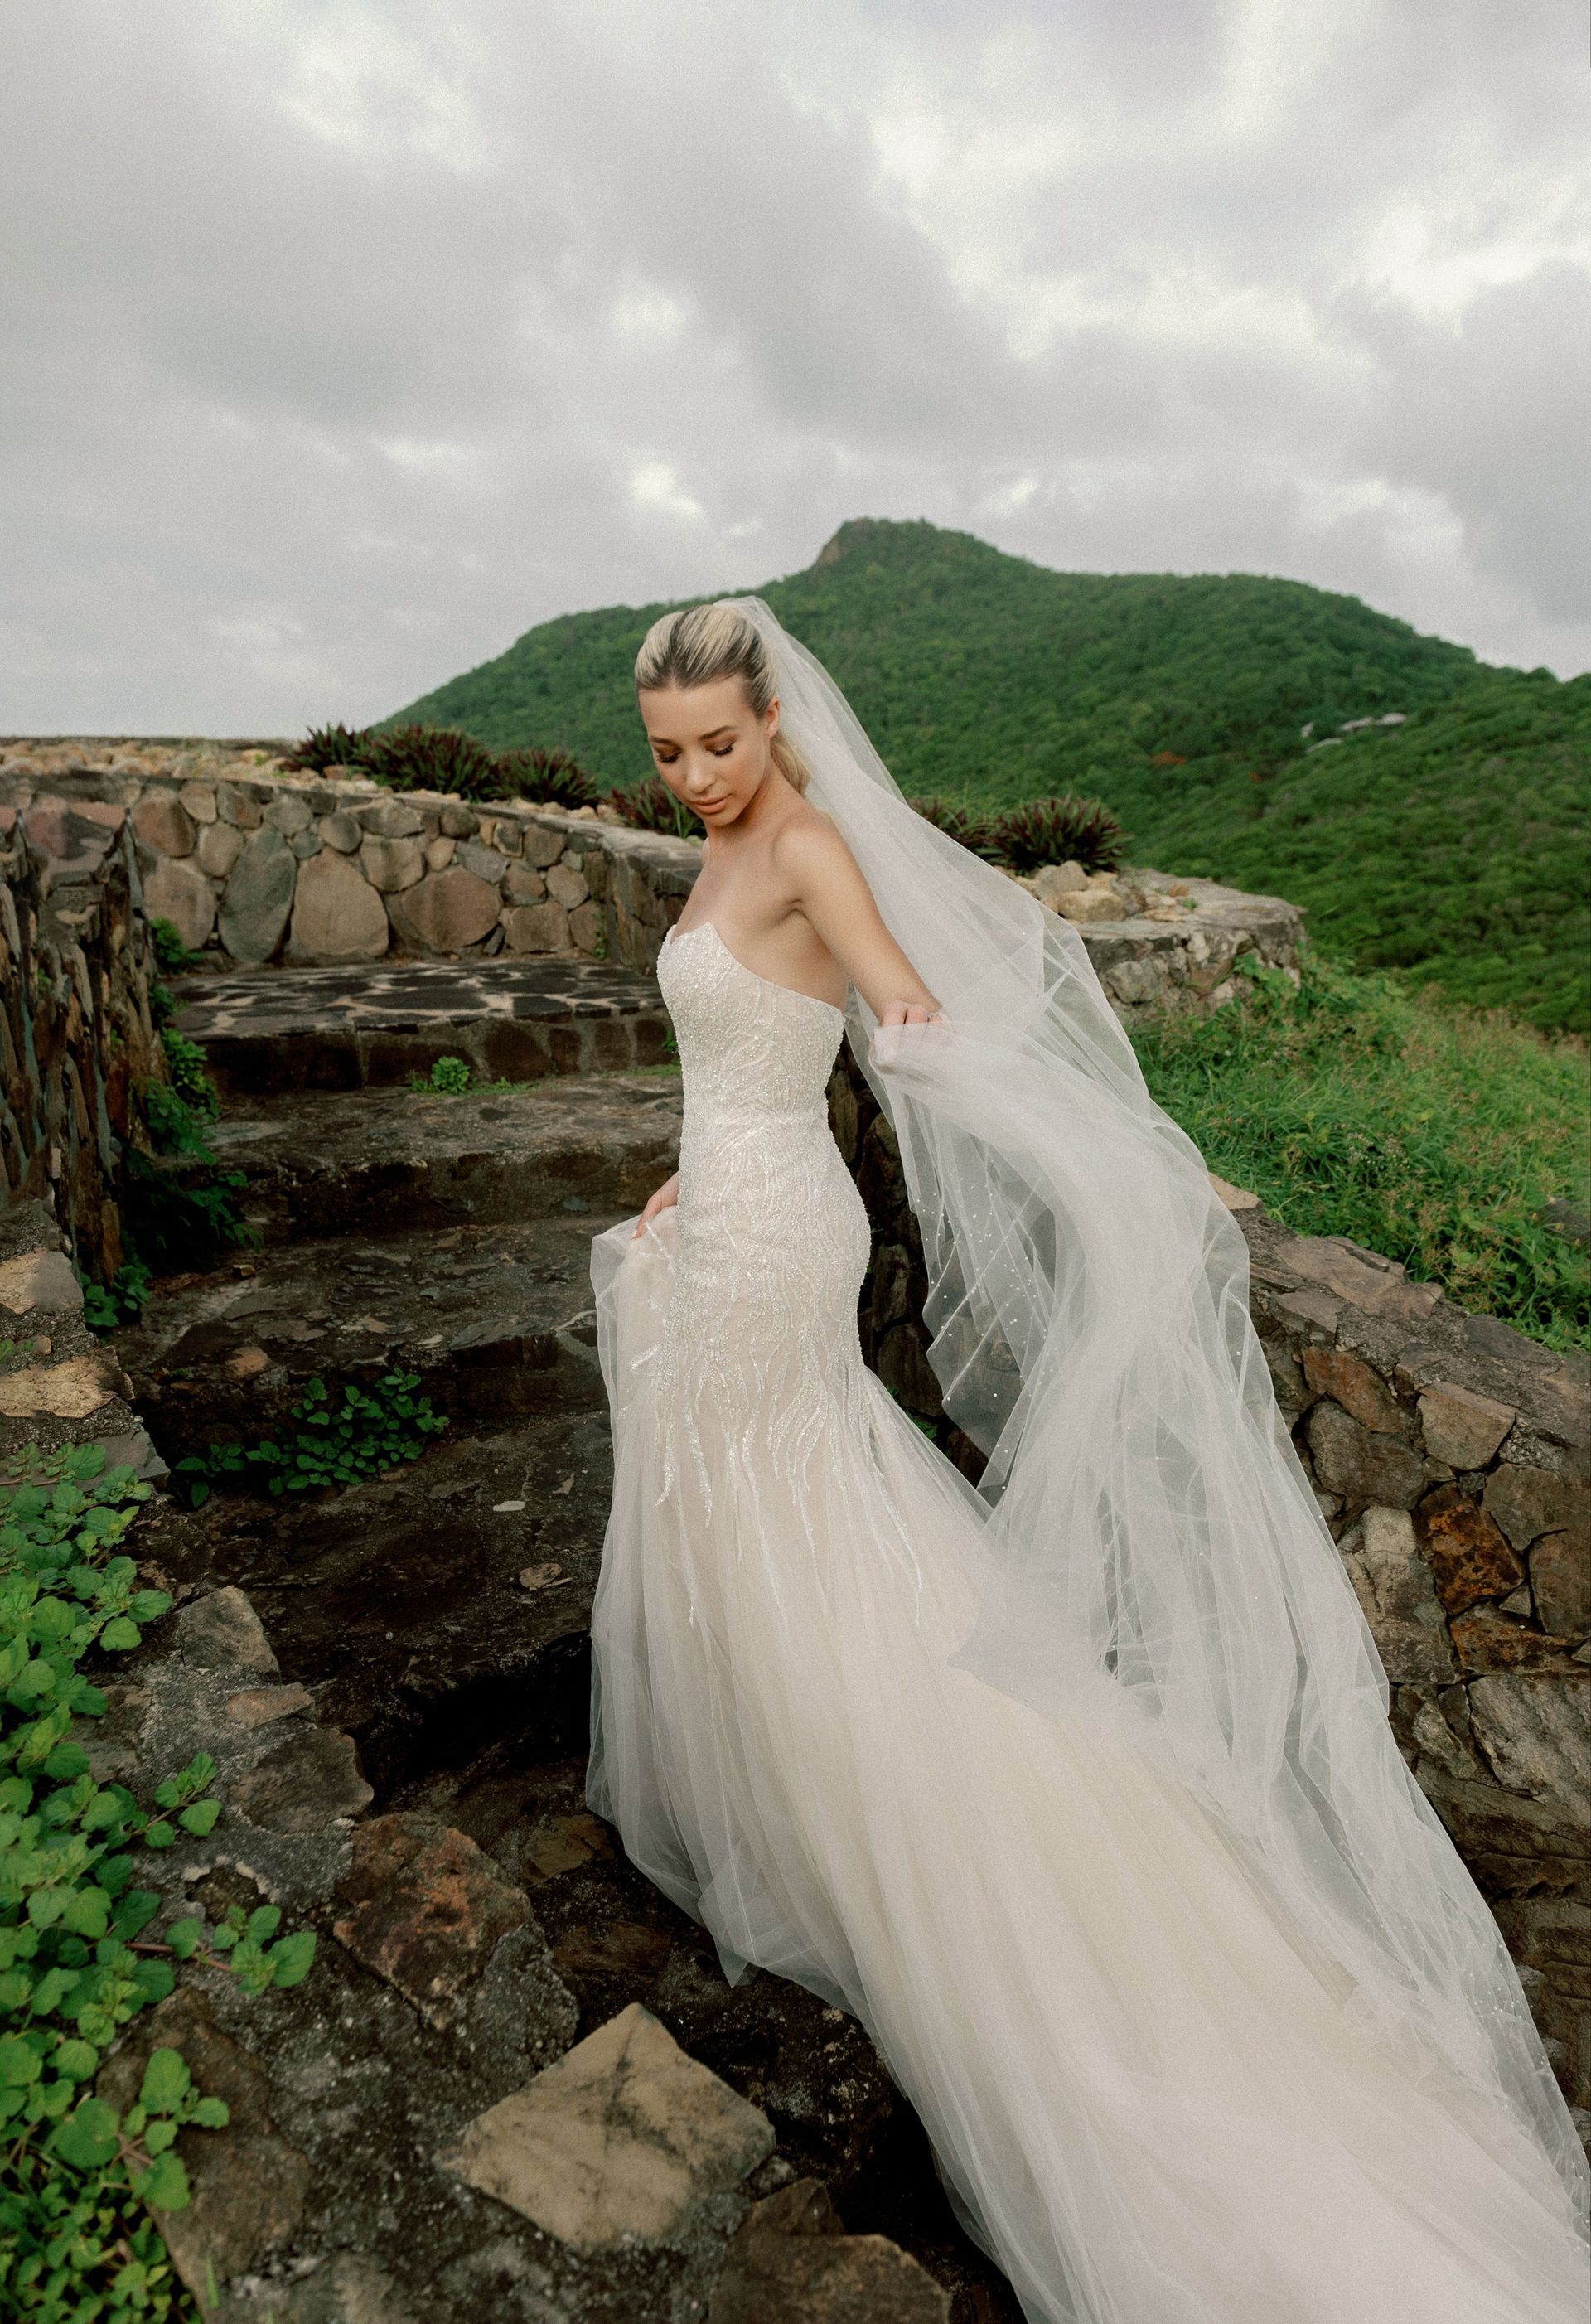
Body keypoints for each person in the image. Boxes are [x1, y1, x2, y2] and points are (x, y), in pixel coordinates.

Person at [586, 598, 1589, 2322]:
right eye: (669, 753)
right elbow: (745, 1050)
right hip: (731, 1204)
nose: (695, 778)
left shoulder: (808, 845)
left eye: (719, 745)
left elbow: (911, 1018)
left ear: (777, 723)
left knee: (790, 1510)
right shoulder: (727, 846)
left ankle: (923, 1839)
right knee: (759, 1517)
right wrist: (699, 1160)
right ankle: (809, 1804)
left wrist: (1126, 1156)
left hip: (781, 1247)